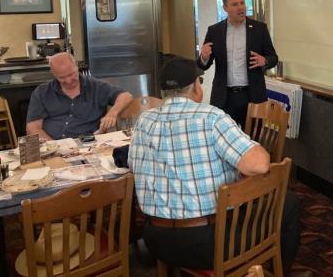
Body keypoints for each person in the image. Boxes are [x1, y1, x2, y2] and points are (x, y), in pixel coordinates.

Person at [129, 57, 303, 274]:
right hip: (205, 244)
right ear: (196, 87)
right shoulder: (211, 118)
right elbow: (259, 165)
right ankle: (283, 272)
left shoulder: (142, 122)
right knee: (289, 202)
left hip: (156, 240)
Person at [197, 0, 277, 127]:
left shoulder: (259, 29)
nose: (240, 8)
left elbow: (273, 58)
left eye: (242, 3)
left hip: (252, 96)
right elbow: (203, 64)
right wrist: (204, 56)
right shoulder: (215, 31)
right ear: (225, 8)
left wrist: (264, 61)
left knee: (254, 138)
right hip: (224, 97)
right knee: (222, 139)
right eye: (235, 4)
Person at [26, 52, 133, 140]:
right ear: (53, 73)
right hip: (52, 145)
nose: (68, 81)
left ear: (76, 66)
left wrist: (112, 113)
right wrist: (54, 146)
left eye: (71, 74)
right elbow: (32, 128)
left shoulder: (96, 87)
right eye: (61, 78)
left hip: (87, 145)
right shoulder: (42, 92)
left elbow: (126, 96)